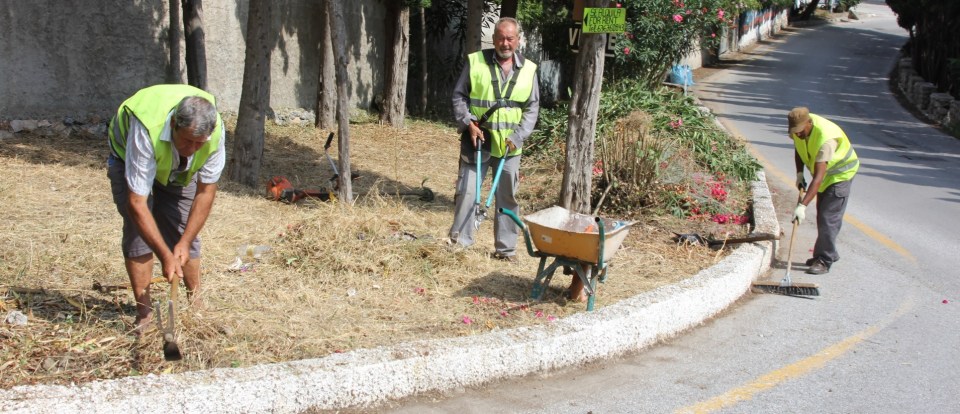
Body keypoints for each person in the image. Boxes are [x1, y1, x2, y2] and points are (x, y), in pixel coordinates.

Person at [106, 84, 226, 333]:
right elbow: (137, 203)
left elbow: (206, 192)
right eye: (187, 141)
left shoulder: (215, 133)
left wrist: (182, 242)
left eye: (199, 143)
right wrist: (164, 254)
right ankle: (145, 316)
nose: (193, 149)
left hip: (178, 171)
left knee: (183, 231)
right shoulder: (146, 127)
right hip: (127, 156)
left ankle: (196, 307)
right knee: (137, 232)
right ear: (173, 125)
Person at [449, 18, 539, 263]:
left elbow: (532, 108)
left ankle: (506, 250)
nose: (505, 43)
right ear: (494, 38)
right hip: (478, 139)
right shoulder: (476, 61)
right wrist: (468, 123)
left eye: (510, 38)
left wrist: (518, 136)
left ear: (518, 40)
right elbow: (459, 96)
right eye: (500, 37)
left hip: (510, 145)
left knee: (507, 197)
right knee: (468, 191)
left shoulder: (529, 69)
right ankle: (460, 245)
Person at [787, 107, 859, 275]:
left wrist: (802, 206)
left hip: (840, 175)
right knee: (822, 215)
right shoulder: (799, 130)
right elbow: (799, 149)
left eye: (800, 131)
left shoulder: (825, 139)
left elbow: (818, 179)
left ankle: (824, 260)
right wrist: (799, 174)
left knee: (828, 217)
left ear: (809, 123)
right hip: (825, 176)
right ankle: (827, 252)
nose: (797, 135)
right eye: (794, 132)